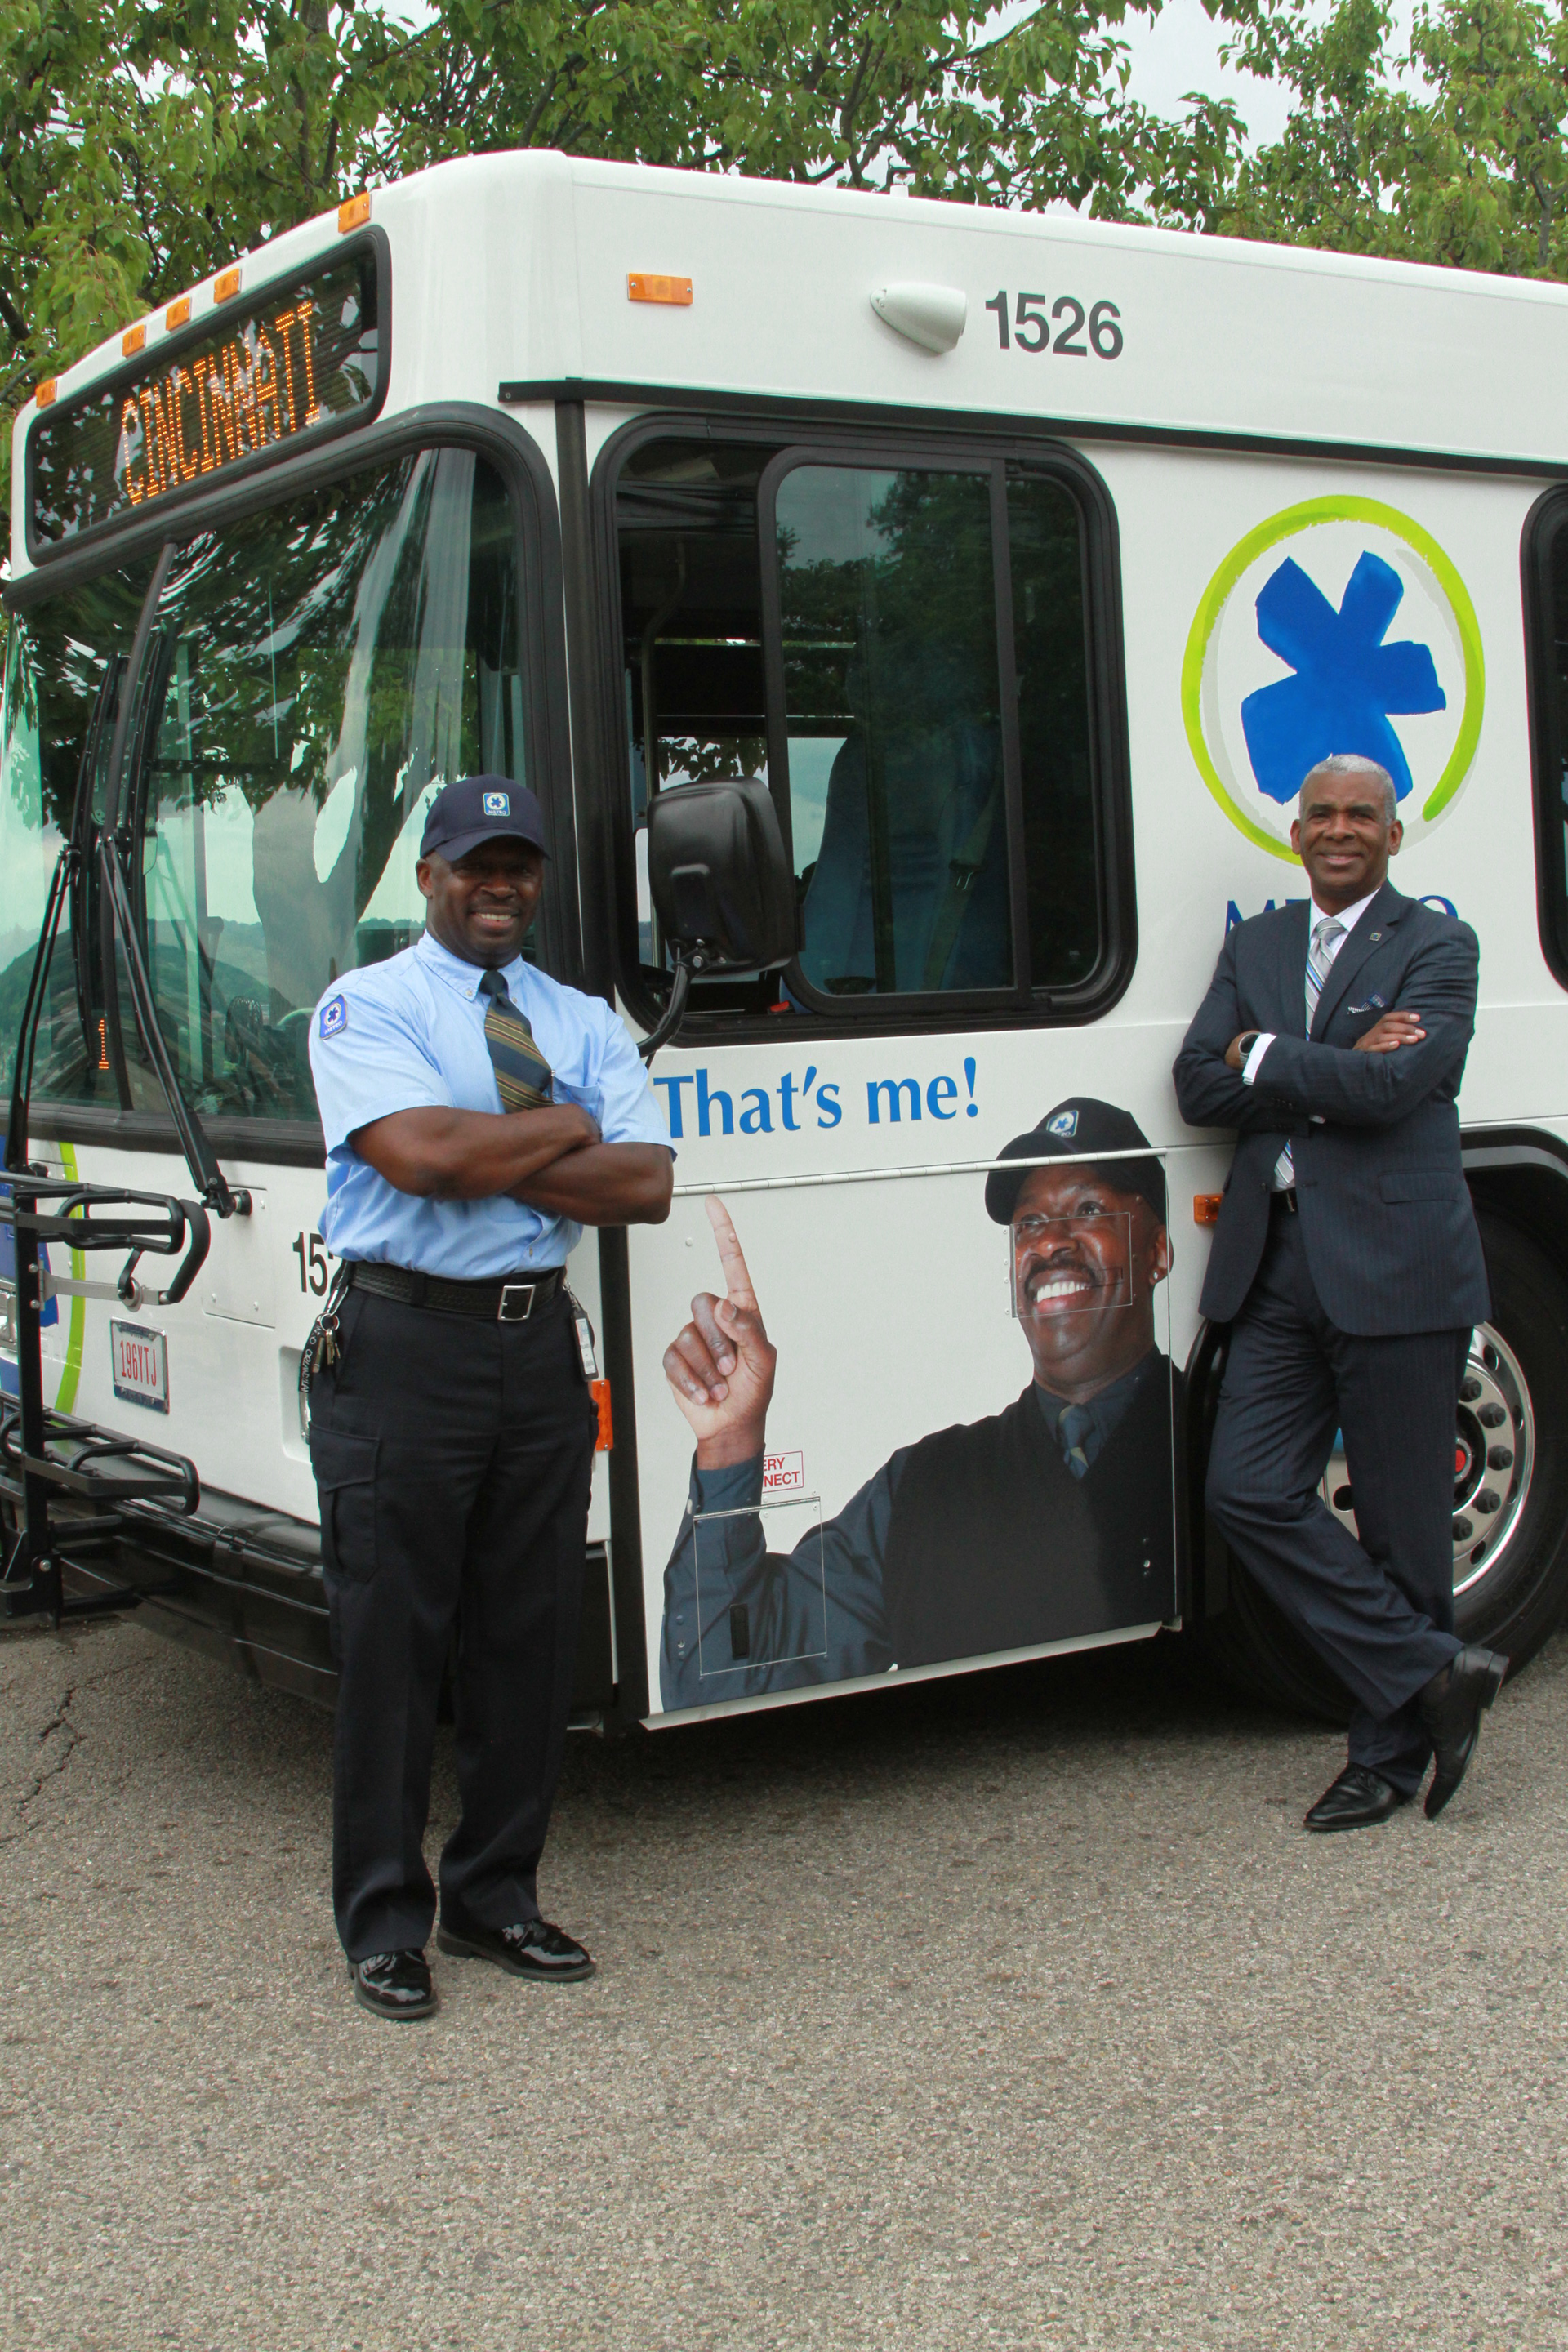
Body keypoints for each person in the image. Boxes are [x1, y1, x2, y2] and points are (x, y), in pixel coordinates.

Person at [306, 773, 673, 2019]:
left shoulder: (581, 1011)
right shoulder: (371, 1006)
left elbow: (644, 1191)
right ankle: (383, 1922)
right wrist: (566, 1122)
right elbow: (418, 1159)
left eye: (517, 865)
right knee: (393, 1642)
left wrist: (494, 1154)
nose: (497, 886)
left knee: (528, 1638)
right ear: (429, 878)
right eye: (473, 864)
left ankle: (494, 1899)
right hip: (404, 1345)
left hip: (533, 1354)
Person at [1174, 751, 1505, 1833]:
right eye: (1321, 813)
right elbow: (1195, 1078)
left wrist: (1268, 1052)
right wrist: (1326, 1060)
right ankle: (1434, 1673)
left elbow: (1397, 1084)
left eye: (1362, 814)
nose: (1340, 829)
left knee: (1406, 1533)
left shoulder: (1440, 945)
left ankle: (1383, 1755)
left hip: (1398, 1267)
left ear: (1395, 836)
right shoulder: (1258, 941)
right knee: (1247, 1491)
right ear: (1296, 831)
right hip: (1276, 1266)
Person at [658, 1098, 1177, 1709]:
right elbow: (723, 1685)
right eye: (1030, 1224)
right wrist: (728, 1451)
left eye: (1088, 1210)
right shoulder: (925, 1485)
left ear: (1157, 1254)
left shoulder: (1229, 1455)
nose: (1051, 1244)